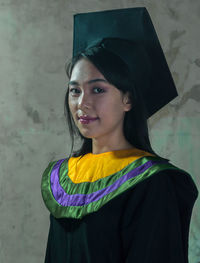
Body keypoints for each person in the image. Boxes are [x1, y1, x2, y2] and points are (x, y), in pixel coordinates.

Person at [41, 7, 199, 263]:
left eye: (98, 90)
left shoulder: (152, 182)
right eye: (75, 91)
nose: (83, 103)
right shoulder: (63, 179)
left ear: (128, 98)